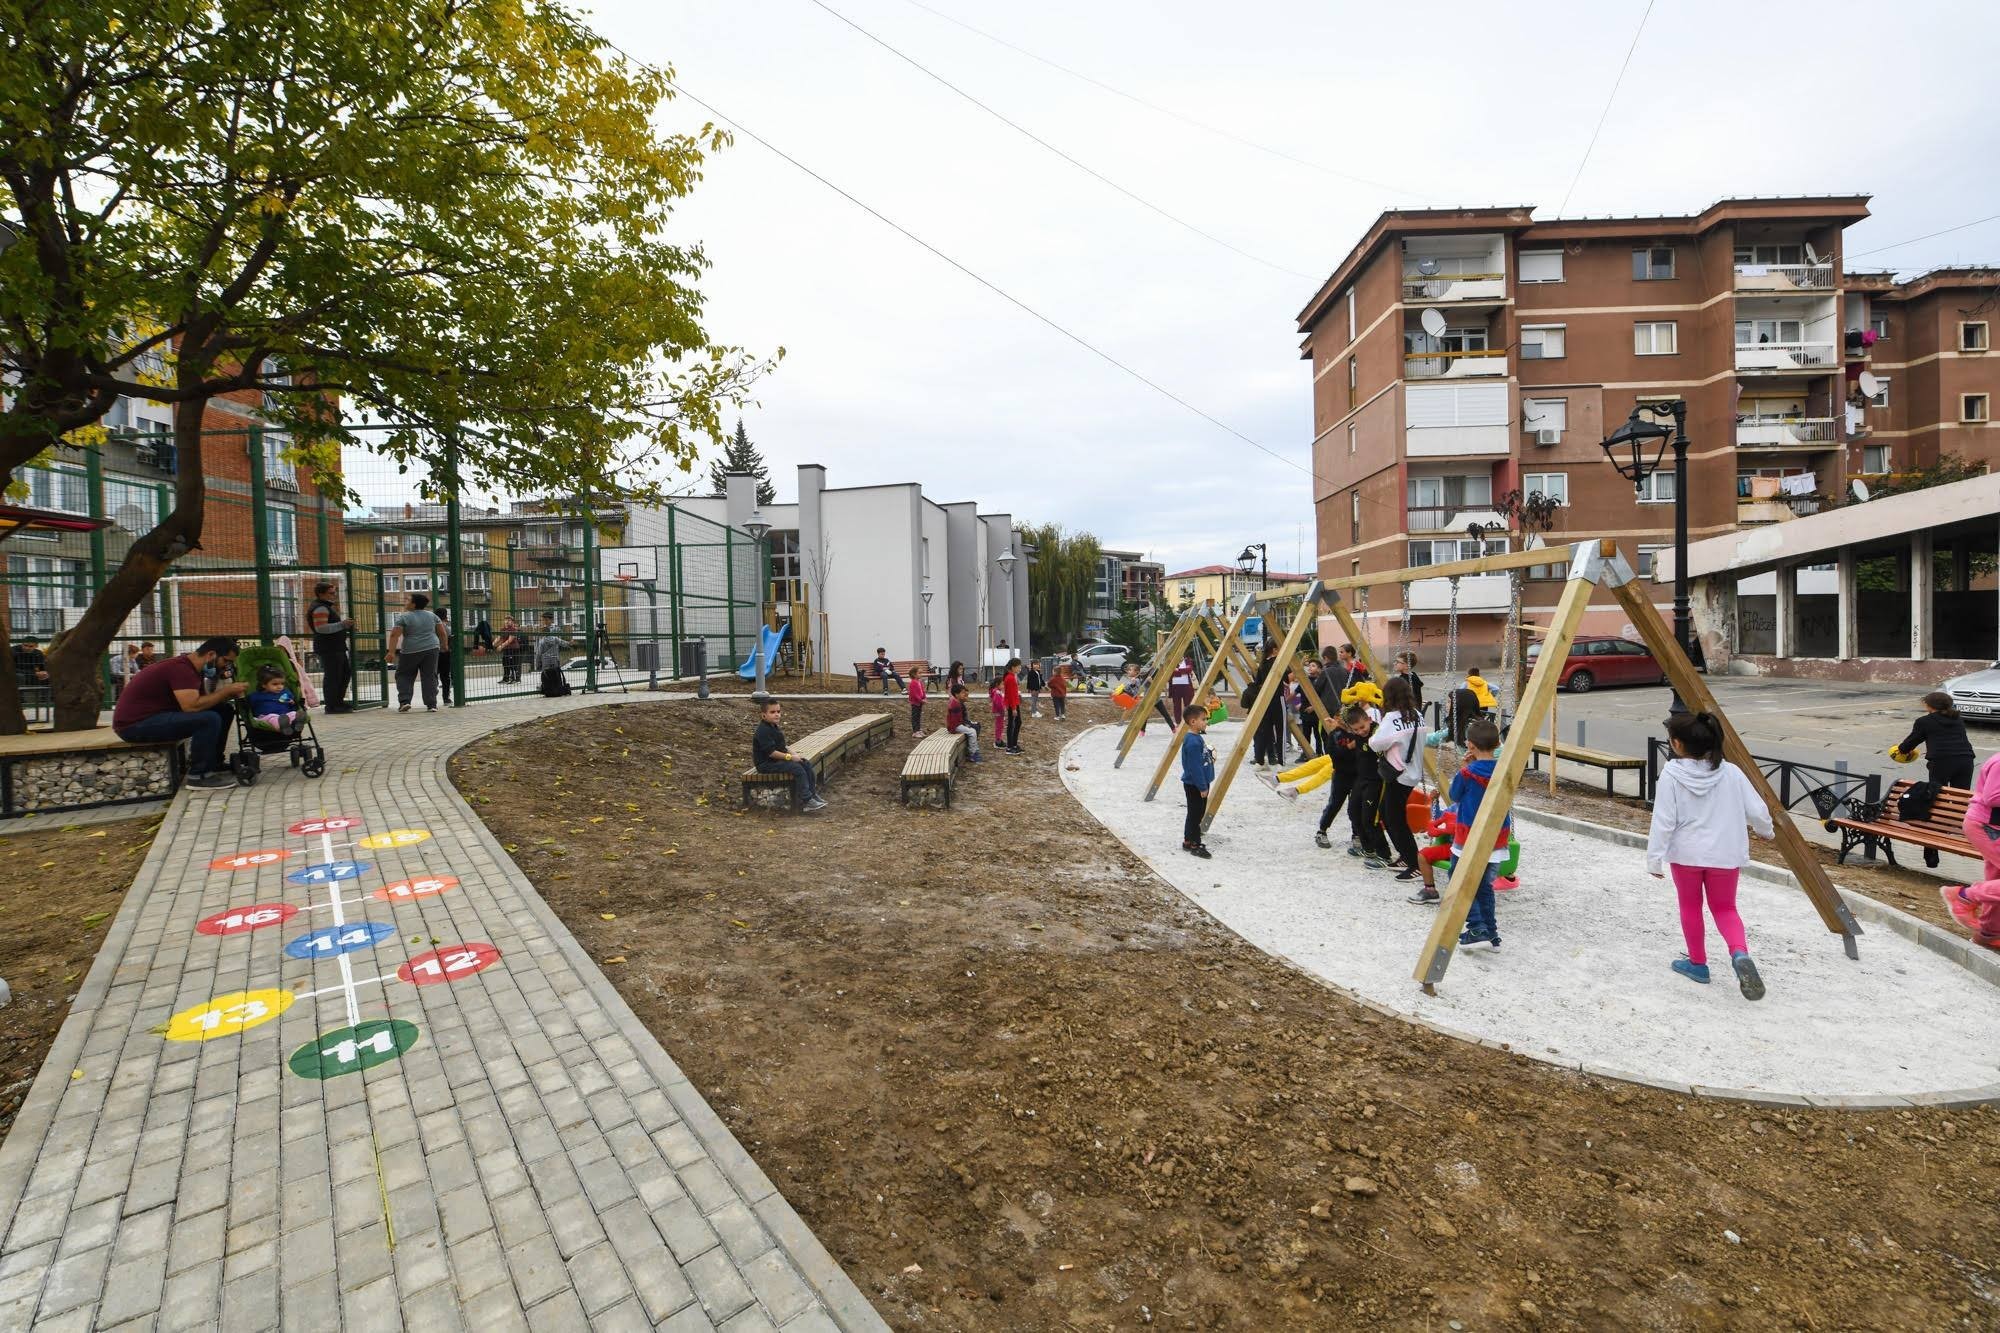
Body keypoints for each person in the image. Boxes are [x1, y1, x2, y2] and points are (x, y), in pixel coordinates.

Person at [1645, 710, 1772, 999]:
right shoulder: (1732, 773)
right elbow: (1758, 810)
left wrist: (1654, 858)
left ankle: (1698, 963)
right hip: (1725, 853)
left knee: (1690, 907)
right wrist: (1766, 832)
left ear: (1677, 744)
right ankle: (1739, 953)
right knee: (1725, 908)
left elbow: (1663, 819)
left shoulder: (1672, 774)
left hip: (1686, 854)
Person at [111, 636, 247, 788]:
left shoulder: (192, 668)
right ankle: (199, 775)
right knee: (209, 719)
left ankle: (214, 762)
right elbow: (191, 706)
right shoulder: (181, 669)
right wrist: (226, 691)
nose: (226, 666)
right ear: (211, 655)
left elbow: (203, 701)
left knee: (224, 710)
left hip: (152, 717)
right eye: (226, 661)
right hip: (134, 725)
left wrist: (226, 695)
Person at [1447, 718, 1512, 948]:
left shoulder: (1468, 773)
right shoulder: (1504, 770)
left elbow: (1454, 795)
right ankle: (1492, 934)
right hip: (1497, 836)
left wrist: (1464, 768)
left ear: (1471, 746)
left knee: (1459, 878)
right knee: (1485, 885)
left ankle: (1476, 928)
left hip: (1469, 836)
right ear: (1496, 745)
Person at [1368, 676, 1432, 885]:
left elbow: (1376, 744)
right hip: (1412, 771)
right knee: (1389, 814)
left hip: (1398, 773)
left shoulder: (1391, 718)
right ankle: (1406, 856)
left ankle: (1415, 864)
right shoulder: (1417, 716)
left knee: (1395, 819)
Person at [752, 698, 826, 813]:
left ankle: (812, 795)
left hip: (775, 761)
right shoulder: (763, 731)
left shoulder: (774, 727)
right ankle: (806, 800)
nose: (777, 714)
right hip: (766, 764)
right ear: (763, 715)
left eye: (778, 711)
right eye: (772, 712)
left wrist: (795, 755)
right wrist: (790, 758)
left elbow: (783, 747)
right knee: (796, 768)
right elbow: (771, 753)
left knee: (805, 763)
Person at [1313, 704, 1370, 850]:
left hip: (1357, 775)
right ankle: (1322, 830)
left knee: (1356, 806)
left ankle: (1356, 834)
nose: (1344, 721)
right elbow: (1334, 755)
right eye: (1341, 717)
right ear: (1337, 719)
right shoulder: (1335, 735)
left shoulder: (1357, 733)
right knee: (1335, 803)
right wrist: (1348, 748)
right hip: (1341, 775)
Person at [386, 591, 448, 712]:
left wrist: (391, 652)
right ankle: (432, 704)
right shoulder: (432, 616)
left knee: (404, 675)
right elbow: (442, 632)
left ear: (414, 604)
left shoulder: (404, 617)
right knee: (429, 675)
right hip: (432, 648)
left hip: (410, 650)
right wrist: (444, 645)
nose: (405, 602)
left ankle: (405, 701)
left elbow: (394, 635)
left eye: (408, 600)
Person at [307, 580, 356, 713]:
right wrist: (342, 624)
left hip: (335, 647)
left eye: (335, 592)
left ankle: (338, 702)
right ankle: (332, 705)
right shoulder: (320, 608)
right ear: (321, 594)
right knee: (334, 676)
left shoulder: (324, 606)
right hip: (329, 648)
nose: (334, 595)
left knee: (343, 674)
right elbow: (321, 628)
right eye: (331, 593)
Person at [1180, 705, 1215, 859]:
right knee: (1196, 814)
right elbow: (1195, 767)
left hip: (1195, 783)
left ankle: (1188, 840)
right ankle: (1195, 843)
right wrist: (1202, 786)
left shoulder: (1195, 737)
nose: (1206, 722)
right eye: (1203, 719)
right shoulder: (1193, 742)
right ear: (1193, 721)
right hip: (1196, 785)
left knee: (1193, 813)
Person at [1249, 641, 1283, 767]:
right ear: (1275, 650)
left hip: (1265, 701)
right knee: (1281, 732)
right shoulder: (1278, 662)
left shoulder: (1263, 664)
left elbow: (1258, 682)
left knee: (1265, 731)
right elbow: (1289, 679)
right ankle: (1280, 760)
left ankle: (1260, 760)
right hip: (1278, 698)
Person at [246, 664, 303, 737]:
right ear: (263, 685)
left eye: (282, 684)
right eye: (275, 684)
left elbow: (292, 705)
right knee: (273, 717)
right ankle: (284, 728)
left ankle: (296, 726)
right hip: (265, 716)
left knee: (293, 713)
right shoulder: (256, 696)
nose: (280, 687)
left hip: (285, 715)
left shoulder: (286, 692)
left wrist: (292, 703)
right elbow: (250, 706)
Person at [534, 613, 571, 697]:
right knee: (551, 673)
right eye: (543, 620)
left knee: (550, 673)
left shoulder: (555, 629)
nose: (544, 622)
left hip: (549, 656)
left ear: (551, 620)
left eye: (546, 620)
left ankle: (552, 689)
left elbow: (559, 640)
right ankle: (552, 689)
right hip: (550, 656)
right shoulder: (543, 630)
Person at [945, 682, 982, 763]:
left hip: (957, 724)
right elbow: (955, 721)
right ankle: (973, 753)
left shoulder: (956, 701)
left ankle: (972, 748)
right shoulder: (955, 704)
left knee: (975, 726)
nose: (964, 694)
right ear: (956, 694)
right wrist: (966, 725)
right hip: (954, 727)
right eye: (962, 693)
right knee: (972, 732)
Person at [1002, 657, 1024, 754]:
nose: (1020, 669)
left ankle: (1014, 744)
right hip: (1012, 704)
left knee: (1017, 723)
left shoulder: (1011, 676)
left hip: (1014, 703)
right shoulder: (1010, 678)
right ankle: (1009, 747)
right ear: (1013, 667)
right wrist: (1014, 708)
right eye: (1018, 667)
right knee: (1012, 724)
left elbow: (1013, 693)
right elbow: (1010, 695)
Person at [1167, 653, 1196, 726]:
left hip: (1186, 687)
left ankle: (1189, 722)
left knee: (1188, 705)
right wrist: (1182, 672)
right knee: (1176, 706)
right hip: (1175, 687)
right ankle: (1178, 723)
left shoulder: (1188, 661)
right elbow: (1170, 672)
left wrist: (1177, 670)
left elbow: (1189, 669)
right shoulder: (1171, 661)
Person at [496, 616, 525, 685]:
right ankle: (506, 679)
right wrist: (492, 644)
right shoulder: (503, 629)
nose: (507, 621)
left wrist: (501, 646)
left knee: (513, 664)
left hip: (513, 649)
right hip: (506, 649)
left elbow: (510, 640)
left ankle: (517, 679)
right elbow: (499, 637)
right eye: (506, 620)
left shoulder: (513, 629)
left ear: (512, 622)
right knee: (505, 664)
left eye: (509, 620)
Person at [907, 670, 927, 736]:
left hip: (920, 702)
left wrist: (924, 697)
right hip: (915, 703)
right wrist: (921, 700)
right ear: (914, 674)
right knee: (915, 717)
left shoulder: (919, 682)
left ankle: (918, 729)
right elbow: (914, 694)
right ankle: (915, 731)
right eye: (919, 673)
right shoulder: (913, 683)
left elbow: (922, 691)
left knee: (918, 716)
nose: (921, 674)